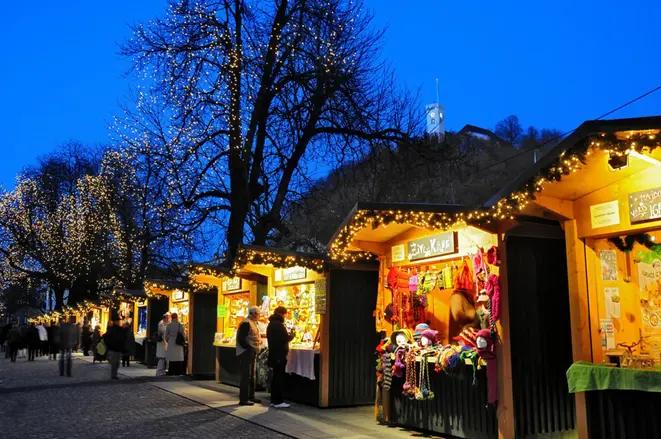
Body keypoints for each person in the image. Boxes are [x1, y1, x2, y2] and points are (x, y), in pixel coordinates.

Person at [267, 306, 295, 408]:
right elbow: (285, 338)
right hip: (279, 355)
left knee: (275, 378)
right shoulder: (279, 325)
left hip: (274, 354)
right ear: (282, 314)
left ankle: (273, 400)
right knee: (279, 378)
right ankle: (279, 401)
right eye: (285, 314)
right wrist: (292, 335)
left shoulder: (271, 324)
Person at [236, 306, 262, 406]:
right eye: (258, 314)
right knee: (246, 375)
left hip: (252, 350)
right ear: (254, 313)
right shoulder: (246, 323)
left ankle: (251, 396)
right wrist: (248, 347)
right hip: (247, 352)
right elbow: (241, 338)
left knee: (251, 375)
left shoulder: (253, 322)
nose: (259, 316)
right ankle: (243, 398)